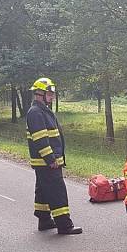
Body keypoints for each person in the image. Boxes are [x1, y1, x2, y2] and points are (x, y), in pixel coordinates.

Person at [26, 77, 82, 235]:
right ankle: (64, 225)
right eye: (50, 94)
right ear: (40, 93)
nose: (52, 97)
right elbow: (41, 139)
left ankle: (44, 220)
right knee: (57, 190)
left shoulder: (41, 110)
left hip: (44, 162)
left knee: (43, 189)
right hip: (47, 161)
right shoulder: (36, 113)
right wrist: (51, 159)